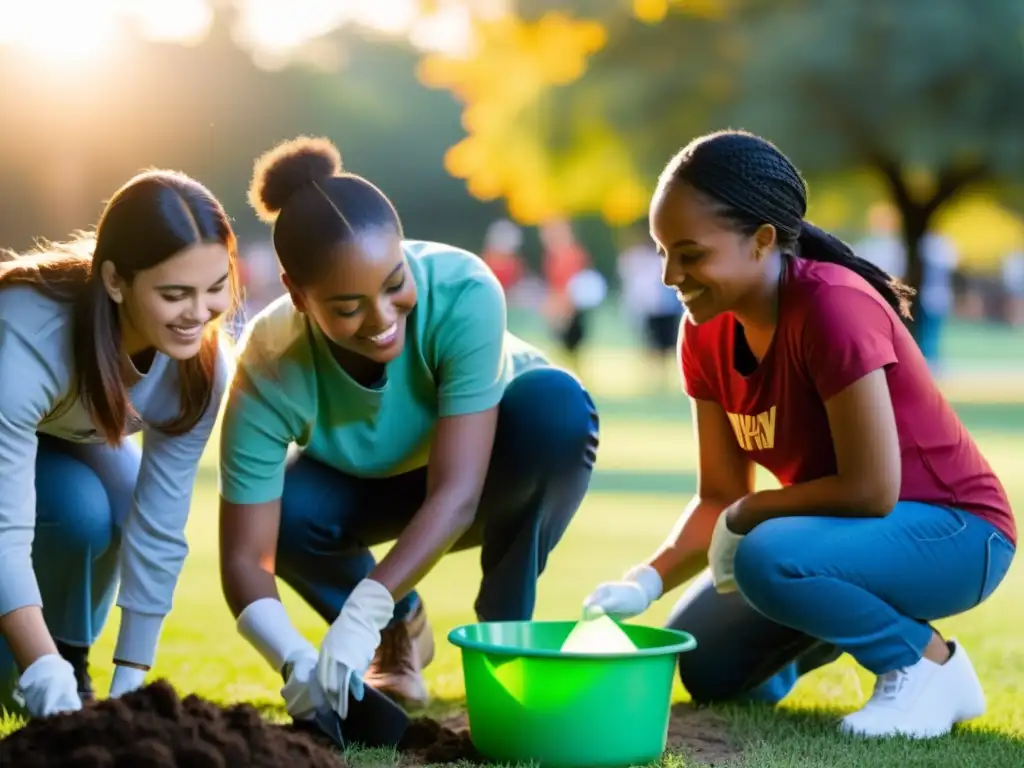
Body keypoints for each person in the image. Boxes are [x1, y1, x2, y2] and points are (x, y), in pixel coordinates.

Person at [583, 130, 1015, 740]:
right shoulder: (701, 333)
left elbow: (871, 490)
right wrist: (644, 579)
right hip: (838, 540)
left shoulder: (832, 307)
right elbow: (718, 496)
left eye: (690, 254)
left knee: (766, 556)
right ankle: (836, 621)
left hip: (960, 534)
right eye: (661, 253)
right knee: (708, 662)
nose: (669, 276)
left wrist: (749, 512)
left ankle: (925, 667)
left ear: (762, 241)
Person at [218, 137, 598, 722]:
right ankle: (402, 630)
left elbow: (457, 493)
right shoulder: (269, 361)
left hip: (503, 461)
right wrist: (291, 656)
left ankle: (504, 640)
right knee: (287, 514)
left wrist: (362, 608)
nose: (383, 320)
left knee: (557, 406)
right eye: (347, 308)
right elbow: (246, 555)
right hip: (370, 482)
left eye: (395, 283)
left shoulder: (463, 289)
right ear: (297, 295)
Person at [0, 170, 238, 718]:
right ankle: (35, 665)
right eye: (174, 294)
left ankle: (74, 660)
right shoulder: (28, 335)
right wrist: (39, 670)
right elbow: (7, 531)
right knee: (79, 509)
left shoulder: (200, 366)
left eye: (215, 287)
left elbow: (159, 526)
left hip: (60, 433)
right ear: (115, 281)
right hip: (13, 443)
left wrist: (132, 683)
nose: (198, 314)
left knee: (125, 500)